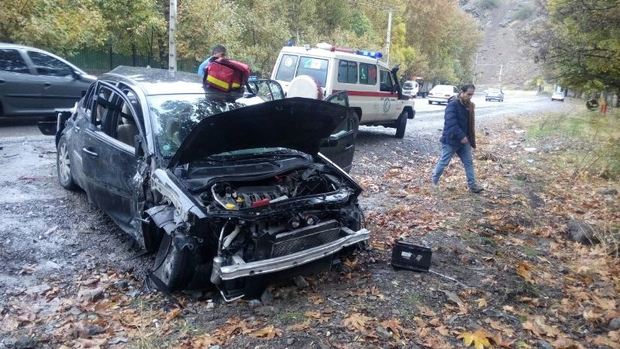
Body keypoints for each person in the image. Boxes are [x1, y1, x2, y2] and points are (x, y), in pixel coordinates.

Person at [431, 84, 483, 193]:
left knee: (468, 163)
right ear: (462, 92)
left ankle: (472, 185)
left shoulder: (469, 105)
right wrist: (461, 136)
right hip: (451, 140)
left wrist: (468, 138)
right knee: (444, 162)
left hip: (464, 141)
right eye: (468, 94)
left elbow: (469, 124)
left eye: (472, 95)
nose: (470, 97)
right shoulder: (452, 105)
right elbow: (451, 123)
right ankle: (432, 183)